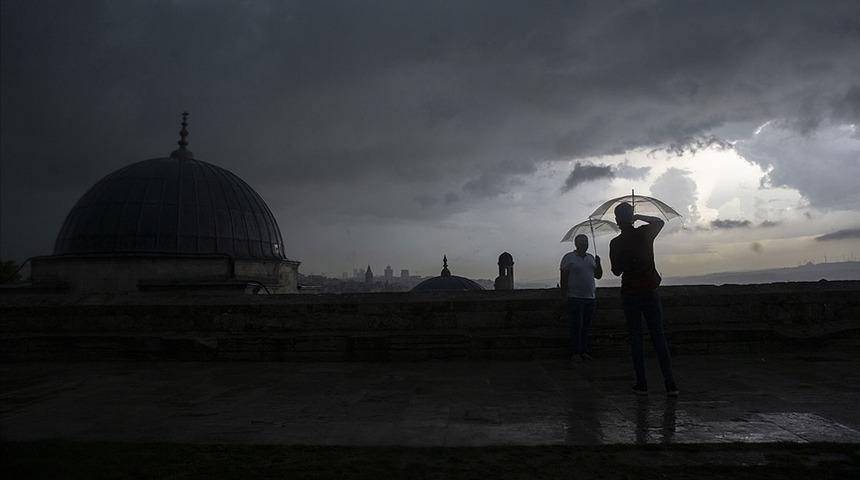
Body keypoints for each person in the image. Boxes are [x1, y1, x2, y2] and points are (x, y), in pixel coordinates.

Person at [609, 202, 679, 396]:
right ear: (631, 217)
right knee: (658, 337)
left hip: (630, 293)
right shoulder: (644, 234)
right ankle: (670, 383)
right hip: (649, 290)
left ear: (616, 220)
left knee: (636, 338)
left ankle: (642, 383)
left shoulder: (615, 243)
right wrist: (639, 217)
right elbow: (659, 222)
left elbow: (616, 271)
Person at [560, 234, 602, 363]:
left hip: (590, 297)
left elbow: (598, 276)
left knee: (586, 327)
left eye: (586, 241)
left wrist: (599, 263)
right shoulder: (569, 258)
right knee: (576, 326)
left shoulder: (590, 258)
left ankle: (583, 351)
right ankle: (575, 352)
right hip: (575, 297)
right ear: (576, 244)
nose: (585, 244)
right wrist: (563, 295)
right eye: (582, 241)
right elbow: (564, 278)